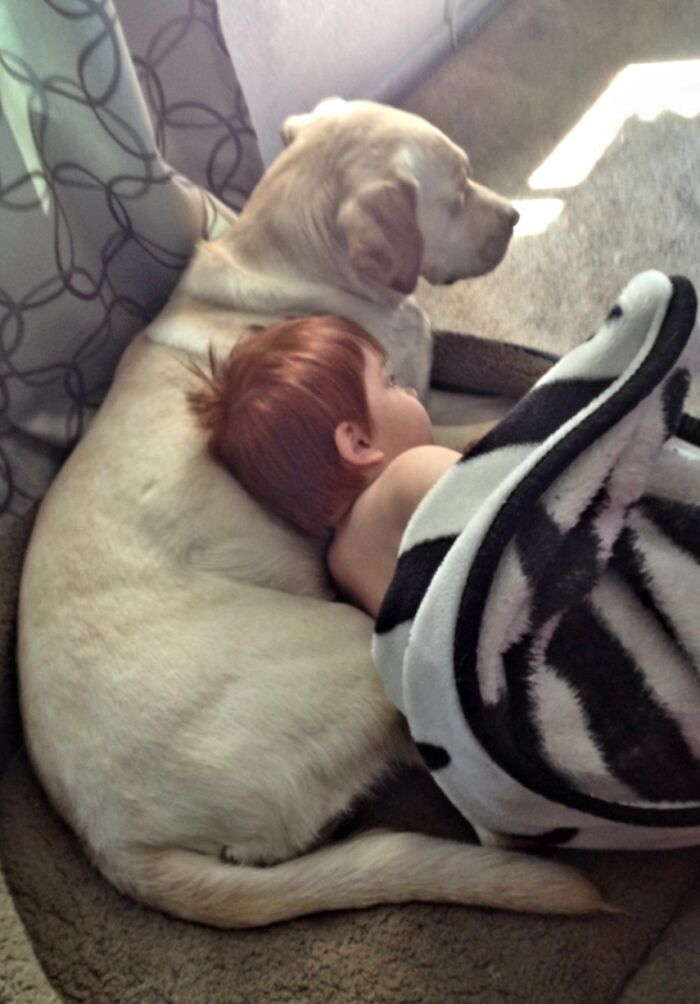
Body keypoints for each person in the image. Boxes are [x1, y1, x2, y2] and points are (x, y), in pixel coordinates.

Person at [188, 314, 494, 616]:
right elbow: (504, 494)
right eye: (390, 382)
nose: (410, 391)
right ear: (358, 443)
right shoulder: (409, 474)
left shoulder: (341, 565)